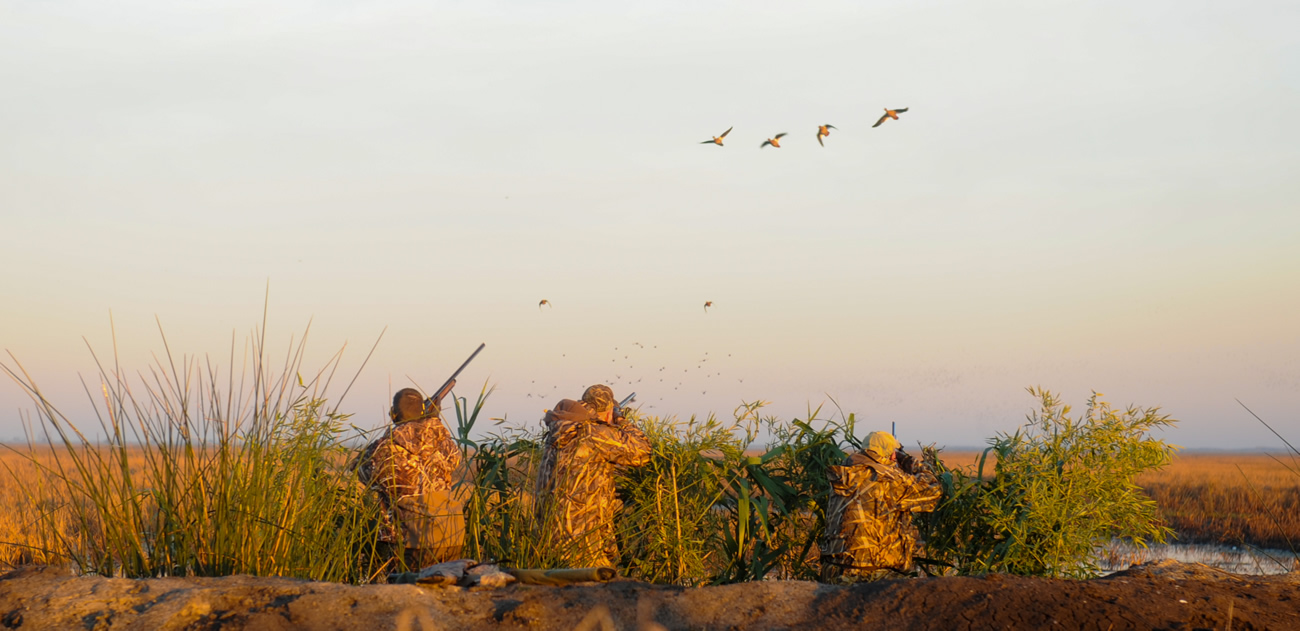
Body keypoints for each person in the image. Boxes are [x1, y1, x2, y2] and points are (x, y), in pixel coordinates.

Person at [534, 384, 651, 568]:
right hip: (583, 547)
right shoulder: (591, 434)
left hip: (548, 542)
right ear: (607, 413)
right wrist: (620, 419)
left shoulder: (559, 431)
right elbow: (642, 452)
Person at [356, 388, 465, 569]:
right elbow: (454, 457)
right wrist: (433, 421)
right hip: (451, 534)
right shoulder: (443, 442)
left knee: (407, 585)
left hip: (414, 539)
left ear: (393, 414)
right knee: (446, 586)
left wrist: (390, 433)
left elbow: (361, 471)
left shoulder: (386, 448)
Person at [819, 431, 942, 581]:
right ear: (892, 455)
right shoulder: (887, 479)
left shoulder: (844, 474)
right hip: (871, 574)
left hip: (833, 570)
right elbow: (933, 489)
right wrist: (909, 462)